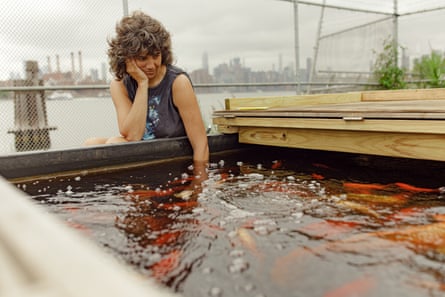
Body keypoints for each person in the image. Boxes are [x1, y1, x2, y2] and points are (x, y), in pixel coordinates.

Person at [85, 11, 209, 170]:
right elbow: (132, 136)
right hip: (142, 152)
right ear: (126, 59)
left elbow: (201, 144)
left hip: (173, 155)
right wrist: (142, 84)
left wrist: (197, 185)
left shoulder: (178, 82)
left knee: (112, 143)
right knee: (91, 144)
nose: (151, 65)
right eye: (143, 58)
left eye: (156, 56)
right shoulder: (119, 85)